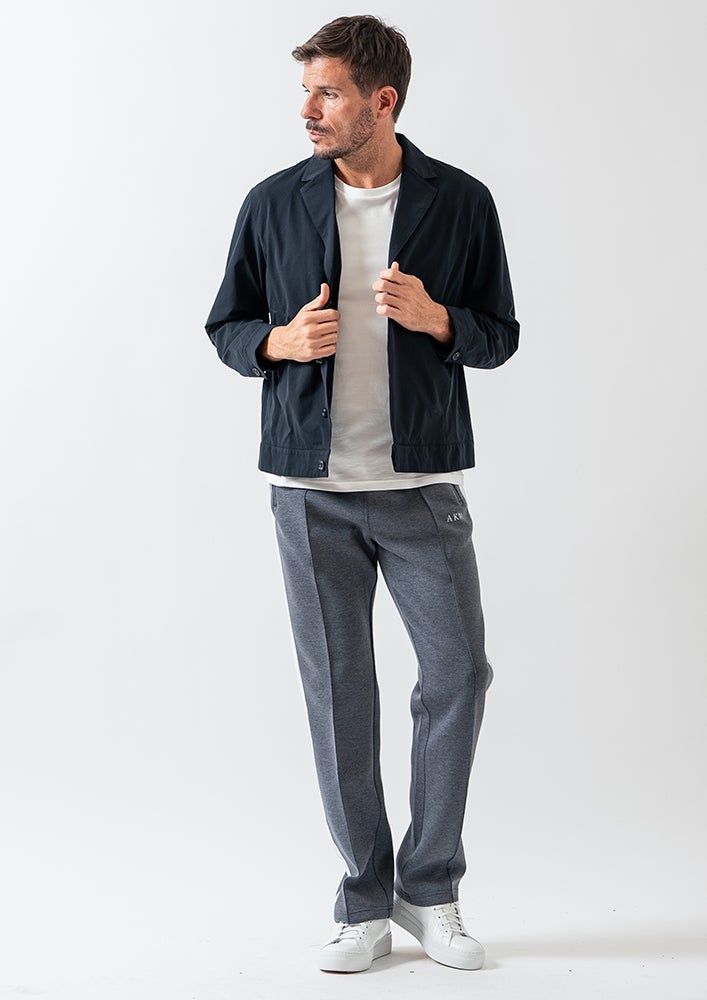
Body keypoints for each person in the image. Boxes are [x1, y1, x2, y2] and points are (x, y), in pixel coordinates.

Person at [204, 14, 520, 974]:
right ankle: (363, 901)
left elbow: (499, 334)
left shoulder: (459, 201)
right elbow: (225, 326)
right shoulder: (273, 201)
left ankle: (431, 889)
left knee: (458, 675)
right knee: (339, 694)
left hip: (420, 486)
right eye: (305, 91)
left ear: (381, 101)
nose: (308, 109)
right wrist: (276, 342)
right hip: (309, 492)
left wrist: (440, 320)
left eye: (328, 92)